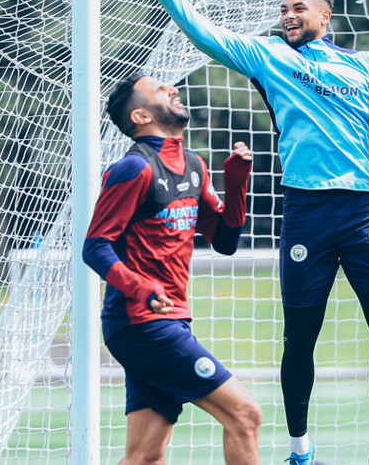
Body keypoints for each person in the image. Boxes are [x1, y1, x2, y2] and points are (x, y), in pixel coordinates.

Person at [137, 0, 369, 465]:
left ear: (326, 14)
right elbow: (205, 34)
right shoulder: (270, 56)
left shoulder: (368, 66)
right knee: (300, 337)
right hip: (306, 213)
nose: (287, 16)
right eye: (284, 9)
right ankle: (300, 452)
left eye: (298, 8)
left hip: (363, 210)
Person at [82, 73, 262, 465]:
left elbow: (226, 241)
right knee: (245, 416)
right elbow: (95, 247)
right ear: (142, 115)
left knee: (146, 456)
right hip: (141, 323)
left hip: (168, 321)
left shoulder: (194, 165)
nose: (174, 89)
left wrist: (237, 182)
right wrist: (141, 288)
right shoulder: (133, 168)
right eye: (161, 89)